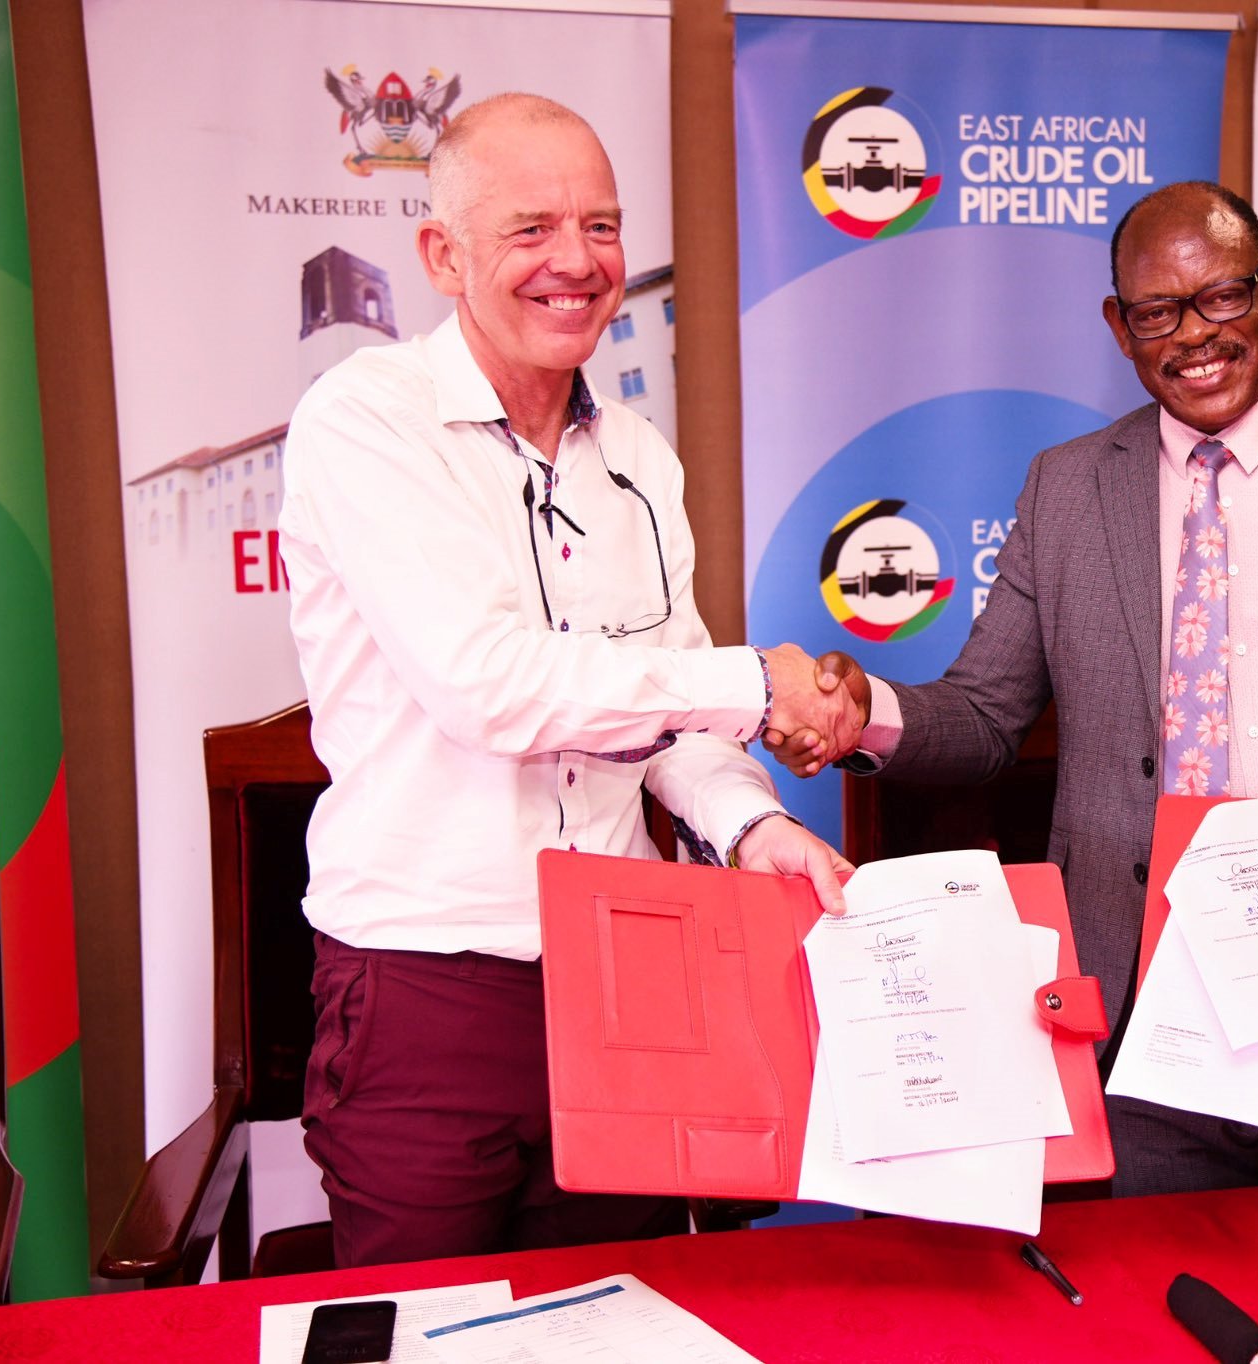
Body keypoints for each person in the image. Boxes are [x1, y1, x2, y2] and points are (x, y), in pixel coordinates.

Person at [773, 182, 1258, 1196]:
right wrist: (865, 711)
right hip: (1148, 999)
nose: (1192, 337)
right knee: (1158, 1314)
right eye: (1154, 313)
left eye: (1221, 298)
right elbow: (983, 714)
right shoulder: (1067, 486)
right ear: (1118, 326)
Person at [278, 94, 861, 1267]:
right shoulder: (365, 421)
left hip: (626, 973)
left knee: (621, 1315)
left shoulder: (639, 458)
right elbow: (489, 687)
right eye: (531, 227)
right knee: (424, 1331)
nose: (577, 262)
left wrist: (755, 828)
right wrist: (756, 682)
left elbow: (671, 714)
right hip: (425, 990)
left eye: (601, 226)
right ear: (442, 254)